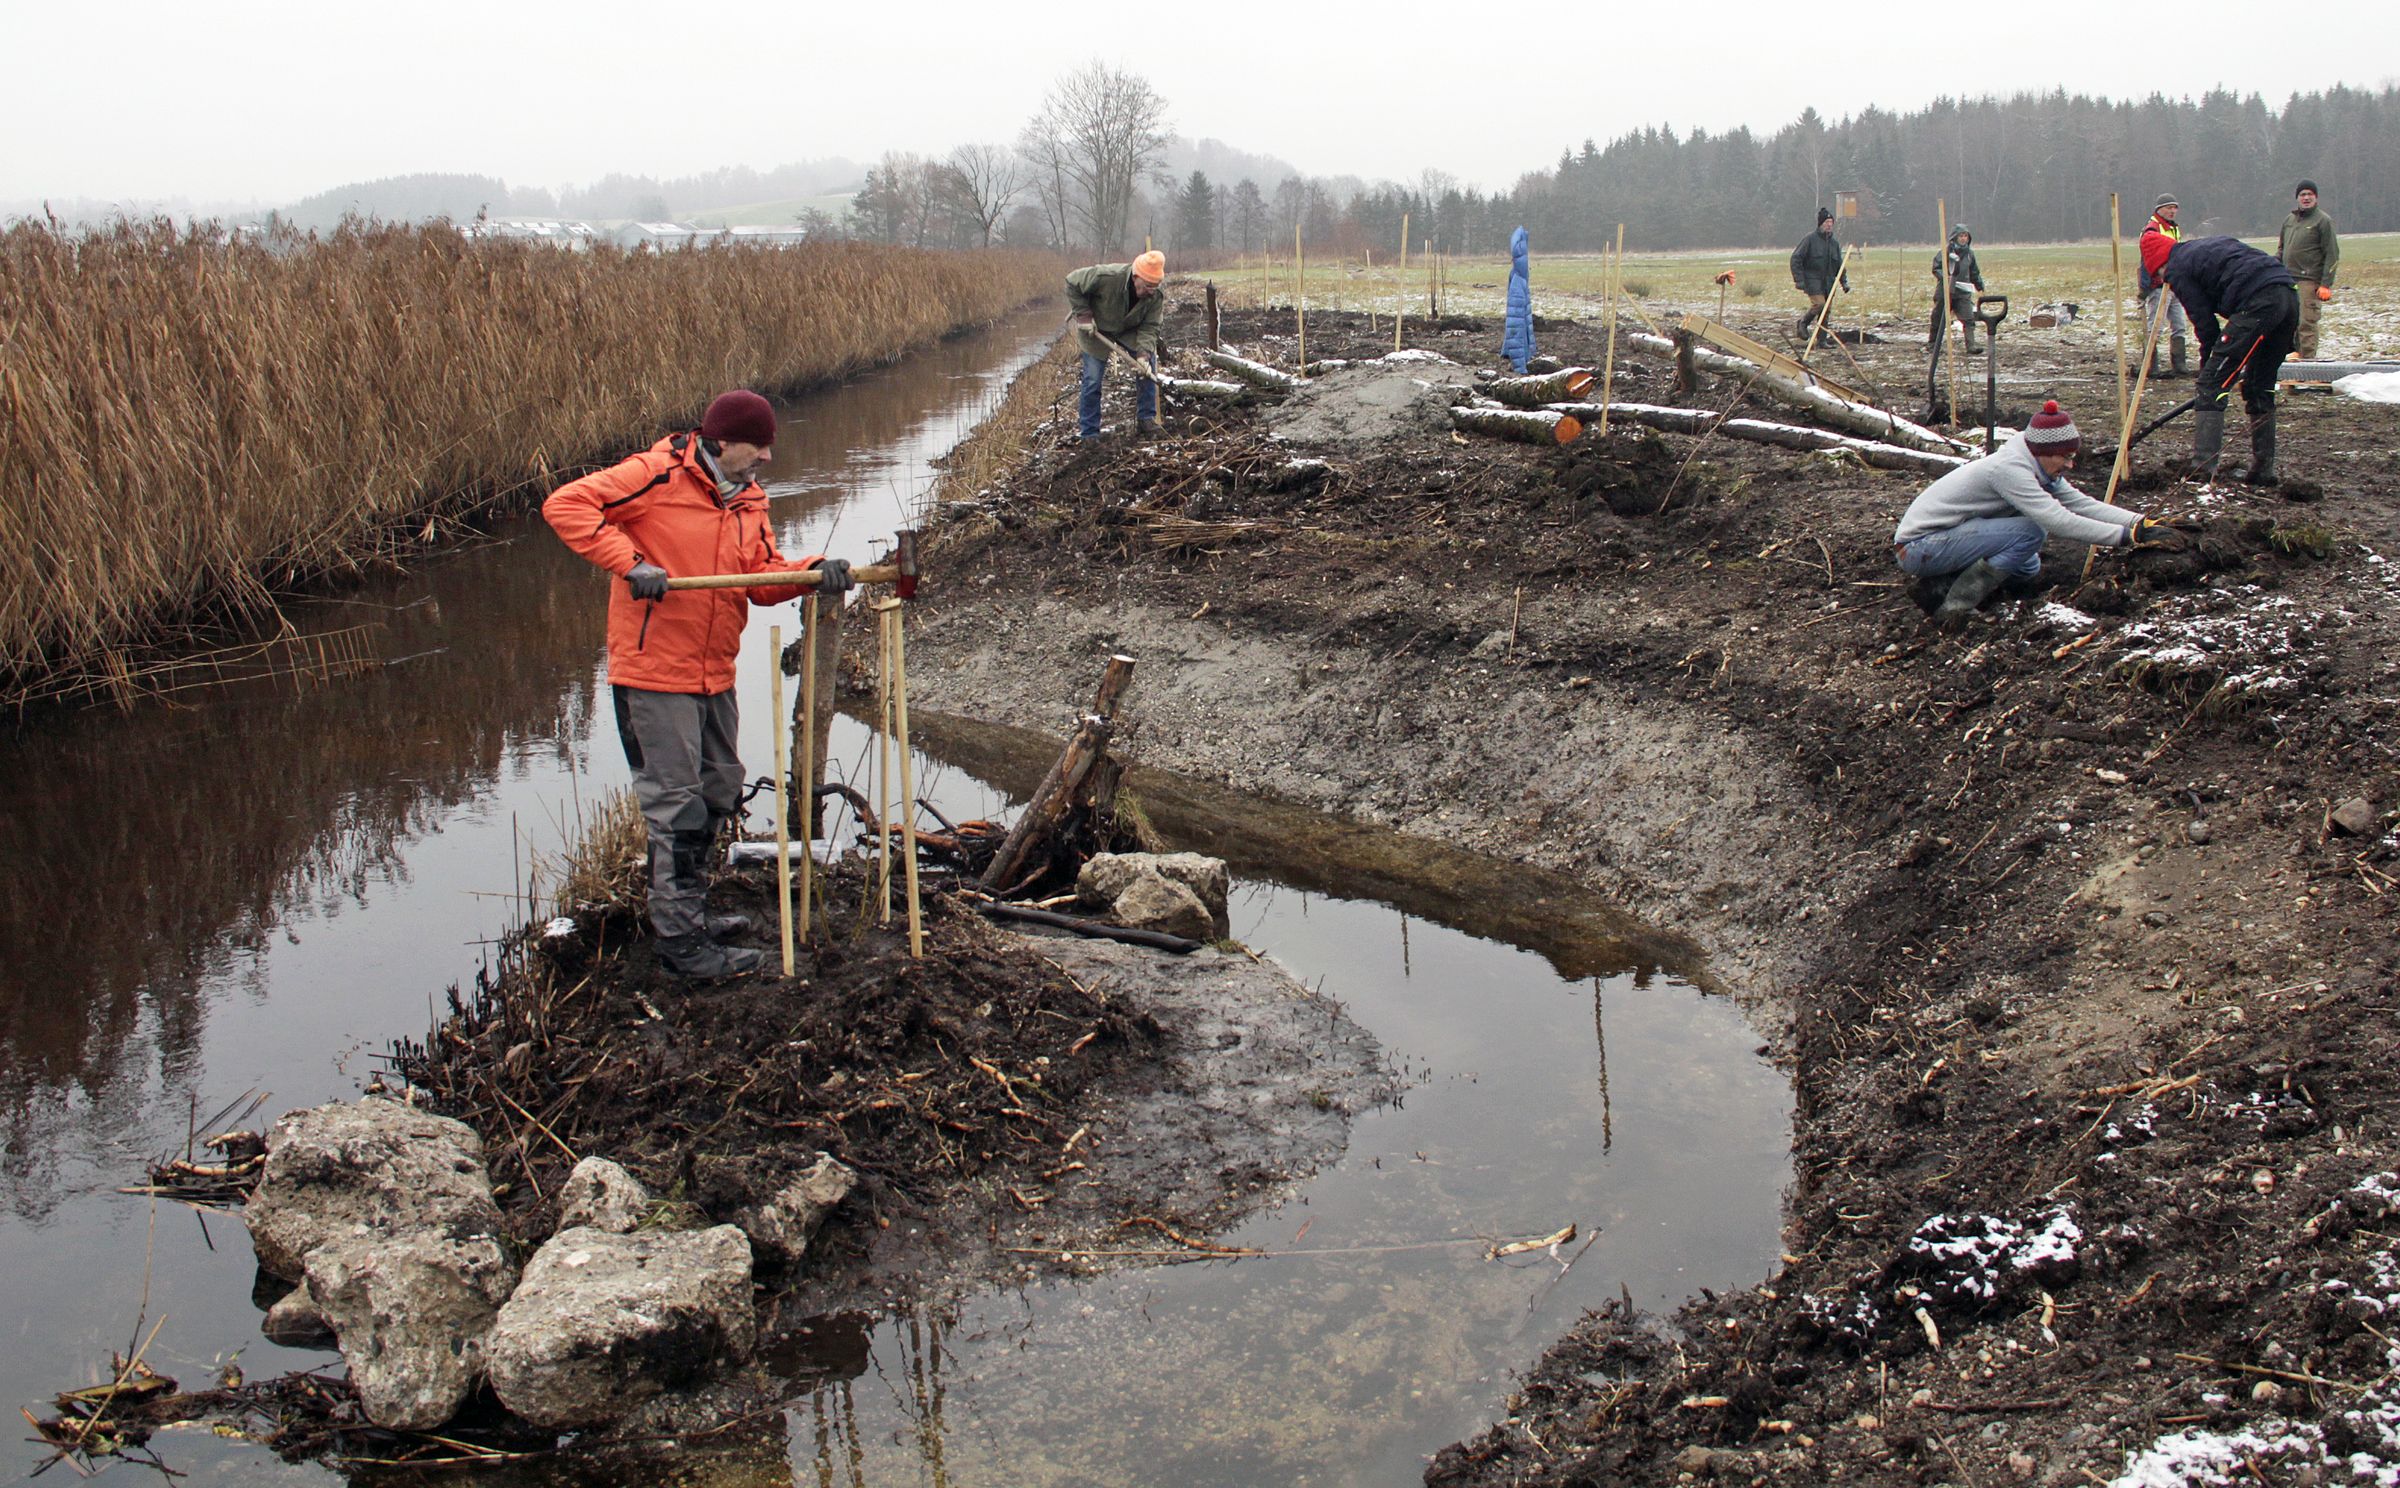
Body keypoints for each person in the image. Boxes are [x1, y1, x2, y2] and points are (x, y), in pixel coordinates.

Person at [542, 390, 853, 979]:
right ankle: (681, 945)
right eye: (756, 446)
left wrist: (813, 571)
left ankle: (694, 911)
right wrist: (631, 563)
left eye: (769, 446)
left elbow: (759, 580)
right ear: (720, 441)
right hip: (654, 675)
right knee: (677, 807)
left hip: (714, 673)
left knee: (719, 788)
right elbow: (566, 505)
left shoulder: (750, 500)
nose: (765, 456)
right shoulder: (654, 474)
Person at [1893, 400, 2174, 628]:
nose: (2070, 465)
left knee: (2028, 567)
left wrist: (2140, 522)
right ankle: (1955, 608)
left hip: (1945, 540)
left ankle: (1940, 587)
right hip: (1919, 547)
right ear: (2043, 451)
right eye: (2065, 457)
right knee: (2031, 532)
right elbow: (2057, 521)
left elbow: (2080, 503)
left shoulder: (2035, 463)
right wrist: (2127, 538)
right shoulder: (2009, 470)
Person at [2143, 230, 2298, 486]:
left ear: (2161, 266)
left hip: (2259, 300)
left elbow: (2205, 326)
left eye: (2160, 276)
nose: (2164, 281)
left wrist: (2211, 374)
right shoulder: (2202, 249)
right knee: (2259, 386)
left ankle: (2202, 470)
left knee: (2211, 385)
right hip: (2288, 295)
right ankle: (2263, 470)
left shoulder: (2177, 268)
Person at [1066, 251, 1167, 441]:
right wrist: (1083, 314)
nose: (1150, 291)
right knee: (1092, 380)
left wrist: (1143, 356)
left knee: (1147, 370)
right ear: (1136, 277)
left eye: (1155, 287)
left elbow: (1150, 327)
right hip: (1097, 327)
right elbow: (1072, 282)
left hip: (1129, 328)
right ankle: (1089, 433)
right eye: (1147, 286)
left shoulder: (1155, 296)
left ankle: (1146, 419)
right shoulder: (1107, 276)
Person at [2277, 180, 2339, 361]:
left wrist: (2326, 284)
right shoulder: (2289, 220)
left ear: (2316, 197)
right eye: (2302, 195)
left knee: (2306, 324)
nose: (2306, 198)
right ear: (2297, 198)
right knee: (2288, 324)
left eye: (2309, 194)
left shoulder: (2323, 221)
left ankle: (2307, 366)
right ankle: (2290, 362)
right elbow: (2281, 248)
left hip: (2309, 281)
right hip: (2287, 280)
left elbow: (2332, 254)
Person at [2138, 193, 2189, 376]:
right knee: (2155, 327)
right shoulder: (2152, 229)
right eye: (2169, 207)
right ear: (2159, 209)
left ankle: (2179, 364)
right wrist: (2145, 287)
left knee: (2179, 324)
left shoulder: (2173, 228)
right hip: (2158, 285)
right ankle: (2150, 366)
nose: (2172, 211)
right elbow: (2146, 261)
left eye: (2175, 207)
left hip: (2174, 284)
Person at [1789, 208, 1850, 341]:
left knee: (1825, 311)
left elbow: (1839, 265)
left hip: (1828, 282)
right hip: (1812, 280)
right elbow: (1796, 259)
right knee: (1820, 305)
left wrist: (1844, 282)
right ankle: (1803, 323)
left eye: (1831, 222)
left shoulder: (1834, 244)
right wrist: (1799, 280)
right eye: (1826, 222)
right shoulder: (1810, 239)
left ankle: (1821, 340)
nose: (1829, 225)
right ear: (1820, 224)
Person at [1936, 224, 1987, 353]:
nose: (1963, 238)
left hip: (1963, 291)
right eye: (1961, 236)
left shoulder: (1970, 254)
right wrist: (1945, 277)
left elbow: (1974, 272)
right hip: (1945, 291)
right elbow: (1936, 268)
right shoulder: (1946, 252)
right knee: (1938, 319)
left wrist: (1979, 285)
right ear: (1955, 237)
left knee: (1969, 319)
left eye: (1965, 236)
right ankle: (1933, 345)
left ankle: (1971, 346)